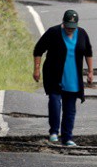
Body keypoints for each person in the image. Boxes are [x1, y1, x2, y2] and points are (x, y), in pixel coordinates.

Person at [33, 9, 93, 147]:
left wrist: (90, 71)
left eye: (73, 27)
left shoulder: (82, 34)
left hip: (73, 76)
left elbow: (88, 52)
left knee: (70, 108)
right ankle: (54, 132)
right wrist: (36, 69)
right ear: (63, 23)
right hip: (54, 74)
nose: (70, 30)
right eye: (67, 27)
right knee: (55, 101)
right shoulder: (53, 32)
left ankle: (67, 137)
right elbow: (38, 50)